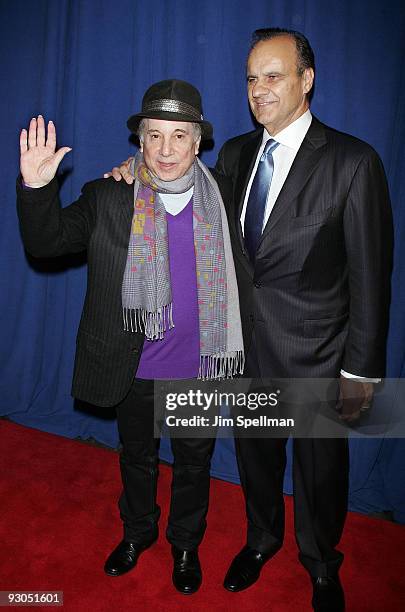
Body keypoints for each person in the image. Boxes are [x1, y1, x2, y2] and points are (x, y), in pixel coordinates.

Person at [108, 30, 393, 610]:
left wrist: (362, 372)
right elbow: (177, 183)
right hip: (243, 352)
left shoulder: (353, 160)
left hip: (320, 355)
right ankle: (261, 541)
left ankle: (320, 563)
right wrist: (131, 170)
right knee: (256, 460)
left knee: (320, 473)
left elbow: (371, 278)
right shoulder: (235, 155)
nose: (258, 90)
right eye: (250, 79)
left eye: (273, 76)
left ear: (306, 80)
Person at [16, 79, 244, 595]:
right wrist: (37, 188)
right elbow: (46, 242)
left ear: (198, 142)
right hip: (134, 366)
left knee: (193, 462)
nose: (166, 150)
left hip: (199, 365)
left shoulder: (225, 196)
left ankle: (185, 544)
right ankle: (138, 533)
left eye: (179, 136)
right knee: (136, 458)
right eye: (155, 135)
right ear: (139, 141)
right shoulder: (107, 196)